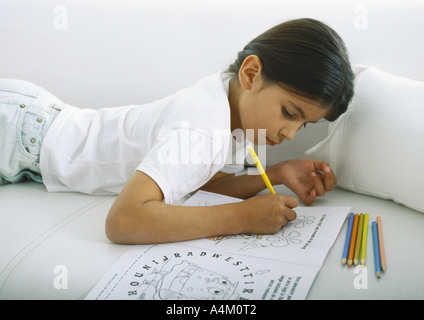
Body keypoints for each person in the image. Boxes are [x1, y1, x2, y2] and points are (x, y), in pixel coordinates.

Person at [0, 18, 354, 244]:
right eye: (289, 113)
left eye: (303, 123)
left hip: (31, 131)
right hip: (17, 133)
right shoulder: (202, 124)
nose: (291, 133)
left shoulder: (233, 111)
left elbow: (202, 183)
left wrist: (275, 174)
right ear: (250, 74)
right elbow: (123, 221)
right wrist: (240, 218)